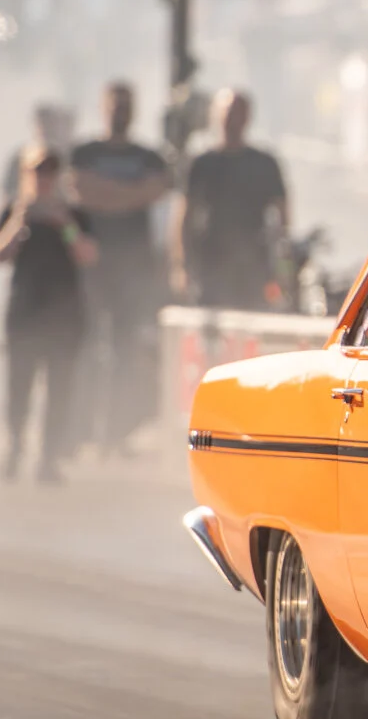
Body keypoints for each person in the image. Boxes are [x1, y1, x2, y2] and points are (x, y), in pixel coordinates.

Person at [68, 82, 172, 456]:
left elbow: (156, 190)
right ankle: (79, 430)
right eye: (115, 106)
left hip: (134, 269)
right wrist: (130, 195)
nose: (120, 113)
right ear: (103, 108)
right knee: (85, 348)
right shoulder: (85, 152)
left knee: (125, 351)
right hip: (91, 268)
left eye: (126, 106)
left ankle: (116, 433)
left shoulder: (150, 157)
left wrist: (107, 194)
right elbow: (80, 190)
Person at [0, 148, 98, 483]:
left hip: (64, 316)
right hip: (25, 313)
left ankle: (49, 458)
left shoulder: (73, 214)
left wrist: (64, 225)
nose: (44, 179)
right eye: (38, 172)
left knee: (59, 389)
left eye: (50, 172)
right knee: (19, 385)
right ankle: (15, 447)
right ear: (27, 175)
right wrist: (18, 223)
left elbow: (87, 254)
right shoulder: (14, 210)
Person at [172, 89, 289, 310]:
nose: (232, 119)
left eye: (238, 113)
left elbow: (283, 218)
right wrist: (181, 266)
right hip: (211, 261)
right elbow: (183, 217)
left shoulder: (264, 164)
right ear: (216, 115)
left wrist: (283, 268)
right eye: (228, 112)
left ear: (247, 117)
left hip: (253, 262)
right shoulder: (201, 164)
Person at [1, 103, 72, 205]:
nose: (45, 129)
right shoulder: (21, 156)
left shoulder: (68, 157)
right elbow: (8, 192)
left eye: (50, 124)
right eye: (42, 124)